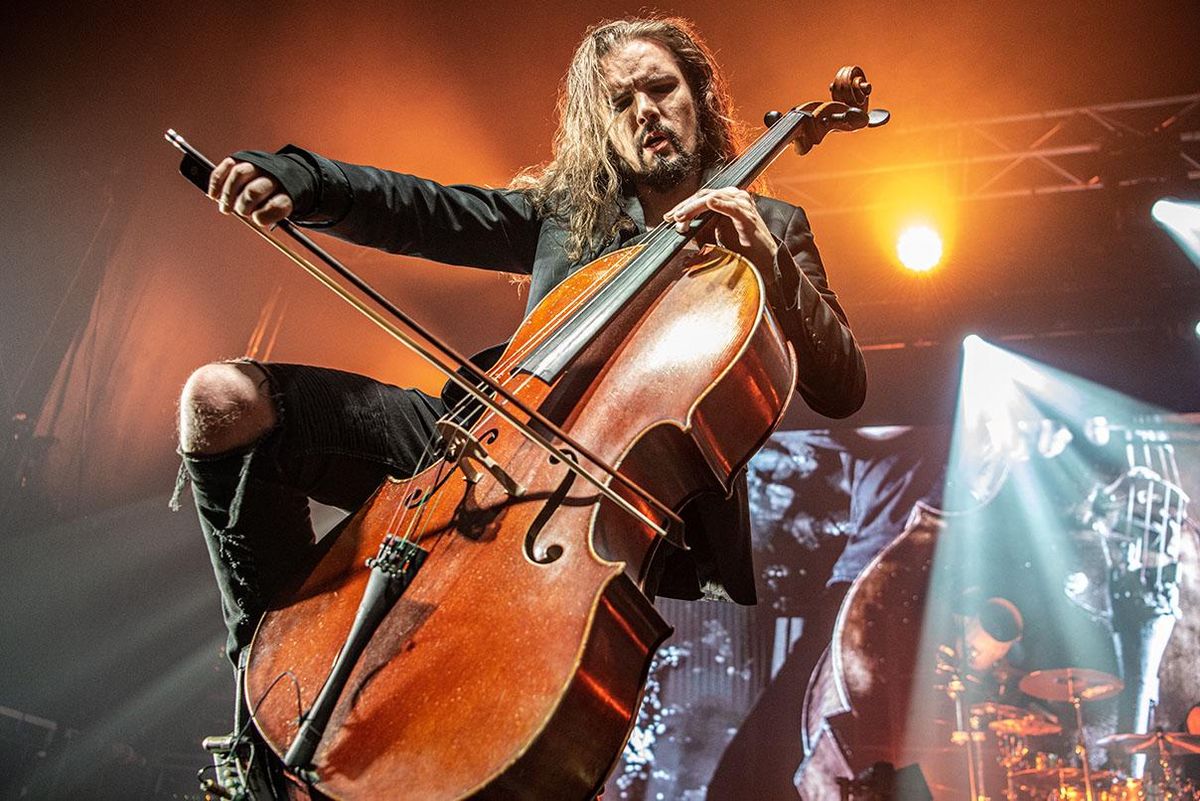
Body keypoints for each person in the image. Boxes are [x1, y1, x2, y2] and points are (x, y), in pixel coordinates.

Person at [177, 16, 866, 688]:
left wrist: (768, 260)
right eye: (619, 103)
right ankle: (261, 683)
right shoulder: (569, 215)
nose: (644, 112)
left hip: (608, 503)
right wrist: (301, 177)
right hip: (483, 438)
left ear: (700, 96)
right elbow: (422, 209)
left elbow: (842, 386)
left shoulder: (772, 228)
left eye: (661, 88)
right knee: (224, 400)